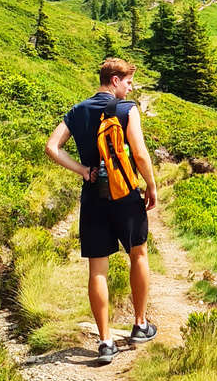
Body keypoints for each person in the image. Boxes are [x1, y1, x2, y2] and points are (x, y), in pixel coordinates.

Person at [45, 57, 159, 364]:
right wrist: (150, 185)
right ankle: (139, 323)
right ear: (115, 81)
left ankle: (105, 341)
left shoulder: (78, 111)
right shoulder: (126, 109)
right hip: (124, 194)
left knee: (98, 269)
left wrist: (82, 169)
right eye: (129, 82)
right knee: (138, 254)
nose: (130, 88)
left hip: (93, 196)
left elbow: (52, 147)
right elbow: (139, 152)